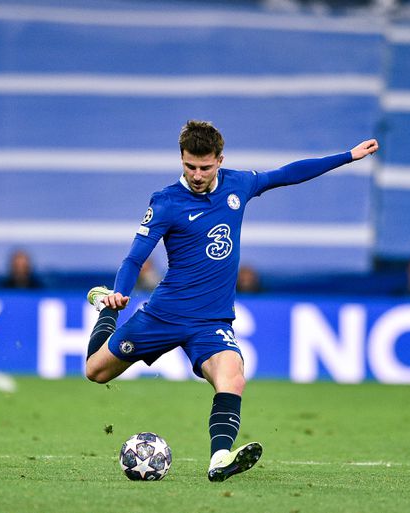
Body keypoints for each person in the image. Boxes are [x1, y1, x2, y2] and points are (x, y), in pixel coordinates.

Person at [84, 120, 378, 481]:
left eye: (205, 167)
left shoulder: (240, 184)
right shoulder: (165, 202)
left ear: (220, 160)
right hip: (165, 314)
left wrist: (348, 156)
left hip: (211, 321)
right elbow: (134, 258)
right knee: (95, 372)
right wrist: (120, 294)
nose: (196, 174)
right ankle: (104, 310)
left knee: (233, 377)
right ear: (181, 159)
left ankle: (220, 458)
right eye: (190, 166)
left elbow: (287, 174)